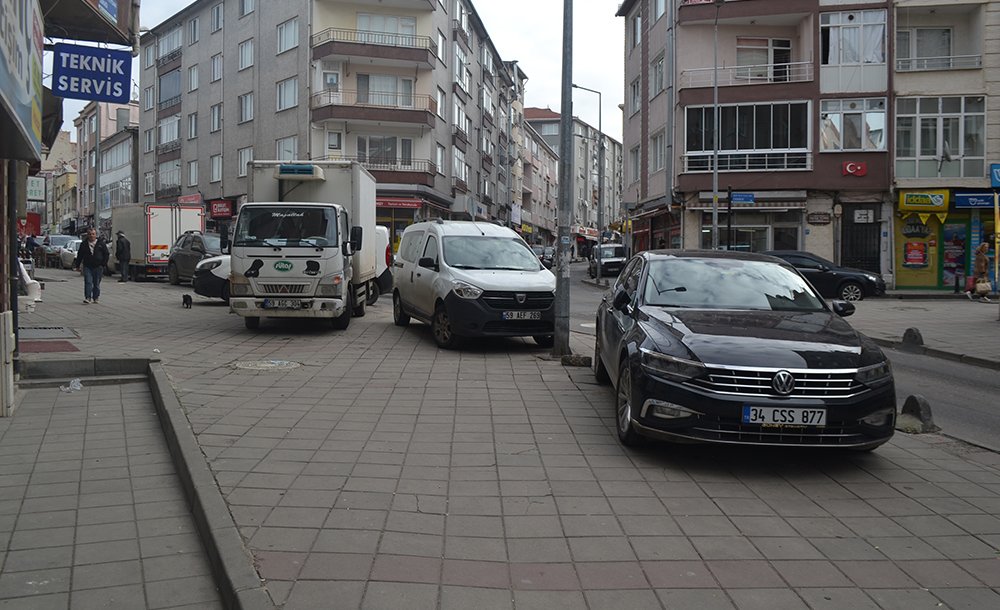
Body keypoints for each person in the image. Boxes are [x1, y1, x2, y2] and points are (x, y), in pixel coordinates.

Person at [73, 228, 110, 304]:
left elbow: (106, 254)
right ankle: (88, 297)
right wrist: (77, 265)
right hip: (88, 266)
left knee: (96, 283)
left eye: (93, 234)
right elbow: (80, 255)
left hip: (98, 266)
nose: (91, 236)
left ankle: (96, 297)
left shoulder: (101, 243)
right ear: (87, 235)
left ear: (96, 235)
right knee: (88, 282)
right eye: (90, 234)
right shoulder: (84, 244)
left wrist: (103, 264)